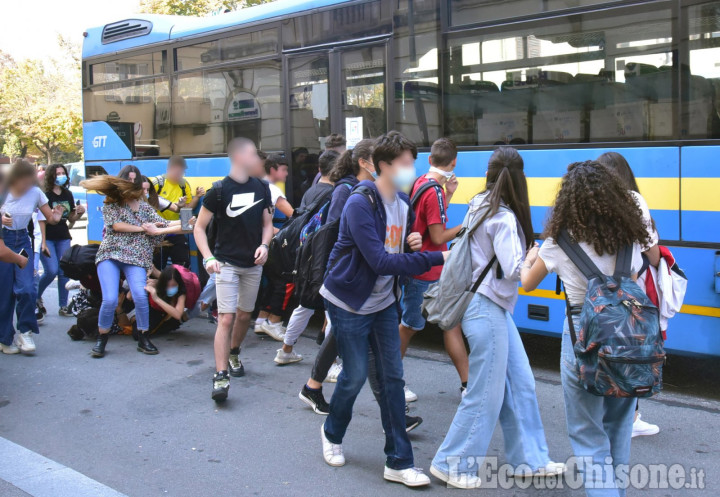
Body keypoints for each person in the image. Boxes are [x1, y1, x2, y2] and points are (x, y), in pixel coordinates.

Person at [430, 147, 564, 488]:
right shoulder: (504, 218)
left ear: (490, 174)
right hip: (487, 309)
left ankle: (530, 460)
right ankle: (452, 463)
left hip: (488, 308)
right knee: (485, 392)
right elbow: (516, 272)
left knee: (520, 383)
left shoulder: (479, 204)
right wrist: (536, 254)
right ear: (520, 180)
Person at [319, 131, 446, 488]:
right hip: (349, 300)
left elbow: (396, 253)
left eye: (412, 163)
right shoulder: (360, 202)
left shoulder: (403, 204)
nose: (412, 170)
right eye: (405, 164)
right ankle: (331, 432)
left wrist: (412, 243)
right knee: (355, 375)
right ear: (383, 167)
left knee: (393, 380)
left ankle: (399, 461)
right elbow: (378, 260)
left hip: (382, 302)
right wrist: (438, 256)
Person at [521, 160, 652, 497]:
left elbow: (527, 283)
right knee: (619, 427)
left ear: (568, 200)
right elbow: (632, 284)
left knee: (587, 433)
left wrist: (529, 257)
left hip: (582, 334)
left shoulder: (558, 243)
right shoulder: (630, 238)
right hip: (628, 336)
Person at [299, 139, 377, 412]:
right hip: (344, 274)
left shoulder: (363, 189)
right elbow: (333, 234)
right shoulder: (346, 191)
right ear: (364, 163)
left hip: (354, 274)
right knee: (361, 341)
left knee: (341, 333)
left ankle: (312, 387)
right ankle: (395, 410)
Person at [194, 138, 273, 402]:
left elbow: (267, 225)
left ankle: (235, 351)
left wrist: (264, 245)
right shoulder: (218, 191)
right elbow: (199, 228)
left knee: (243, 316)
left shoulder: (262, 187)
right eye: (252, 154)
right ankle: (220, 374)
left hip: (253, 264)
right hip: (226, 263)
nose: (257, 158)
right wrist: (208, 258)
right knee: (225, 318)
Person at [81, 175, 190, 358]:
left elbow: (164, 224)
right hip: (111, 254)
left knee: (140, 295)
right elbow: (118, 226)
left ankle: (143, 337)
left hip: (137, 257)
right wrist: (143, 228)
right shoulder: (112, 206)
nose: (146, 193)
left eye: (147, 189)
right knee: (110, 300)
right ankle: (102, 338)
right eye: (144, 189)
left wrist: (188, 219)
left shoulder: (146, 208)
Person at [597, 151, 661, 438]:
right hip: (626, 291)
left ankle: (607, 417)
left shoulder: (588, 207)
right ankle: (630, 419)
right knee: (629, 351)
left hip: (592, 297)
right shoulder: (634, 202)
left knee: (597, 353)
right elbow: (652, 251)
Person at [398, 137, 466, 404]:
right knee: (409, 326)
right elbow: (438, 237)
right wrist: (465, 227)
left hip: (425, 269)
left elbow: (429, 221)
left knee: (450, 325)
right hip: (426, 270)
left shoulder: (421, 182)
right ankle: (393, 380)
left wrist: (448, 194)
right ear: (454, 163)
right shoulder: (433, 191)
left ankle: (467, 384)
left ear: (429, 159)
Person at [274, 149, 338, 364]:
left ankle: (286, 350)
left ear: (320, 169)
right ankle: (328, 366)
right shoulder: (335, 195)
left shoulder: (311, 191)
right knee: (332, 308)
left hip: (305, 258)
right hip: (322, 258)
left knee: (304, 306)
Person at [0, 159, 63, 355]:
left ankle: (25, 331)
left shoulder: (36, 193)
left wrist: (57, 216)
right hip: (4, 238)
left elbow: (50, 218)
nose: (27, 185)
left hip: (23, 242)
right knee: (4, 293)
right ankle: (4, 338)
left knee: (28, 288)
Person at [37, 164, 86, 318]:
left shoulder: (68, 194)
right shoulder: (45, 195)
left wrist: (78, 213)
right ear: (51, 176)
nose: (60, 176)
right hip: (48, 237)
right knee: (51, 271)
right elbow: (41, 220)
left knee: (64, 270)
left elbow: (70, 218)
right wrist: (43, 242)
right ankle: (36, 297)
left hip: (63, 235)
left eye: (62, 173)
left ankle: (63, 306)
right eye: (57, 173)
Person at [151, 156, 205, 269]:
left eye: (181, 173)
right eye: (176, 173)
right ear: (169, 169)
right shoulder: (157, 183)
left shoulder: (183, 185)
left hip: (176, 232)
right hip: (157, 232)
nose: (179, 176)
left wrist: (197, 197)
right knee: (157, 265)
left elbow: (187, 208)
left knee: (183, 265)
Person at [145, 265, 200, 334]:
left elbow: (177, 315)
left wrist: (156, 299)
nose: (170, 288)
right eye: (167, 285)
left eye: (173, 285)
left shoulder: (181, 292)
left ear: (178, 284)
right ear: (163, 284)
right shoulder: (156, 286)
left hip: (169, 315)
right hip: (154, 310)